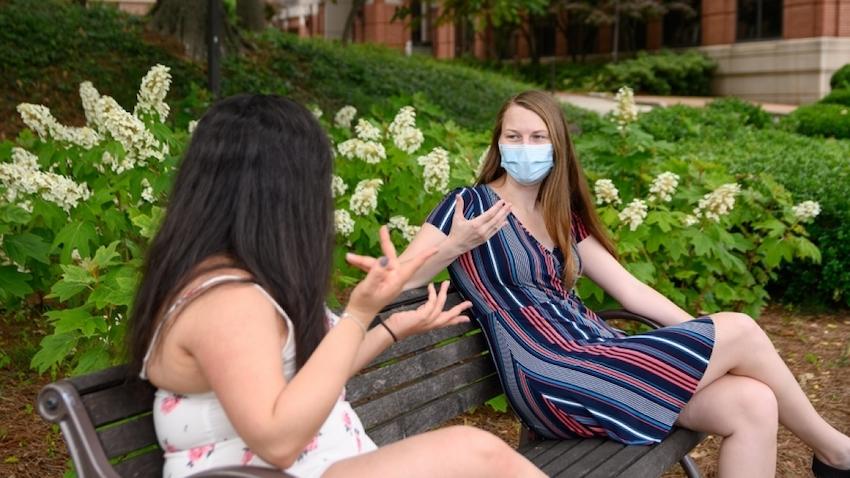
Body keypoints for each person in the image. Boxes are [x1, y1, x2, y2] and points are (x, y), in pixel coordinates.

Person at [400, 90, 850, 478]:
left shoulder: (560, 216)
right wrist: (454, 245)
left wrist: (707, 347)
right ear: (498, 143)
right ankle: (836, 452)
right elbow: (401, 280)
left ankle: (833, 452)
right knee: (742, 330)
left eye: (538, 137)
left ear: (557, 146)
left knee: (753, 402)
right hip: (549, 371)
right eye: (514, 136)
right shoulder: (468, 204)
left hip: (594, 353)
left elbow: (631, 290)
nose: (526, 147)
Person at [127, 94, 544, 478]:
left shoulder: (238, 281)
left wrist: (392, 326)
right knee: (475, 452)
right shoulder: (228, 303)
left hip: (326, 465)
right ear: (286, 191)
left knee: (476, 453)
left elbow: (309, 378)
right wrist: (360, 313)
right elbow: (277, 441)